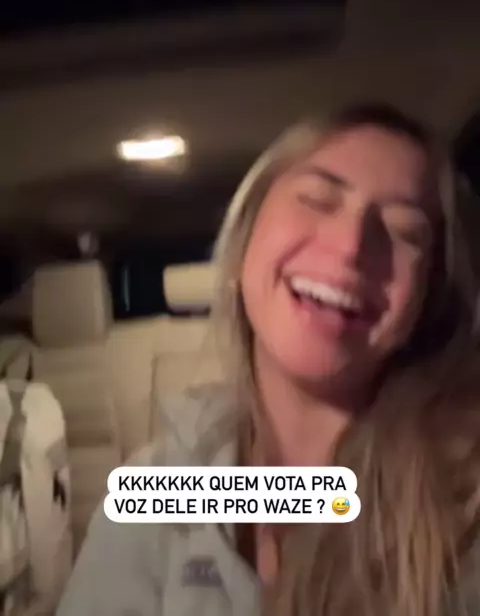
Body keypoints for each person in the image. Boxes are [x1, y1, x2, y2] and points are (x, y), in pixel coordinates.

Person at [57, 102, 480, 616]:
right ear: (243, 242)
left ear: (427, 300)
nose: (351, 248)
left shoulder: (465, 495)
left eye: (403, 230)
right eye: (317, 199)